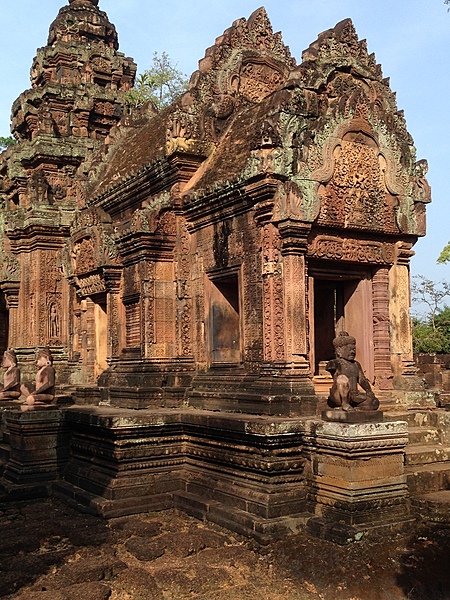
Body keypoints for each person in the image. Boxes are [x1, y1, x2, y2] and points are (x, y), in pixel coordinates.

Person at [326, 331, 379, 411]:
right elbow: (330, 368)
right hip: (339, 396)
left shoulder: (356, 364)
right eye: (349, 349)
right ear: (339, 350)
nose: (352, 352)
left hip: (355, 396)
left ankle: (356, 408)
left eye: (354, 349)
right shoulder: (335, 363)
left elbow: (362, 380)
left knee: (374, 402)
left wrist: (369, 391)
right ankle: (345, 404)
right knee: (342, 378)